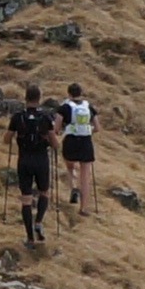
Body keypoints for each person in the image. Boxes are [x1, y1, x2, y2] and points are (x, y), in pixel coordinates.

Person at [4, 83, 61, 245]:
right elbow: (55, 144)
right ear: (39, 98)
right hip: (41, 160)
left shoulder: (17, 117)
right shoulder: (46, 117)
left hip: (24, 161)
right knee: (44, 193)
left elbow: (6, 140)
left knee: (26, 199)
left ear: (26, 97)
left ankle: (29, 238)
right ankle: (38, 223)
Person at [58, 85, 97, 213]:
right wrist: (88, 130)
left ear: (69, 94)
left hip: (70, 141)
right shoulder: (88, 106)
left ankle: (74, 187)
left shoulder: (65, 107)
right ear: (81, 93)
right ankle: (84, 208)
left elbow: (56, 128)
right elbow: (97, 127)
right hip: (86, 141)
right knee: (85, 176)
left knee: (70, 165)